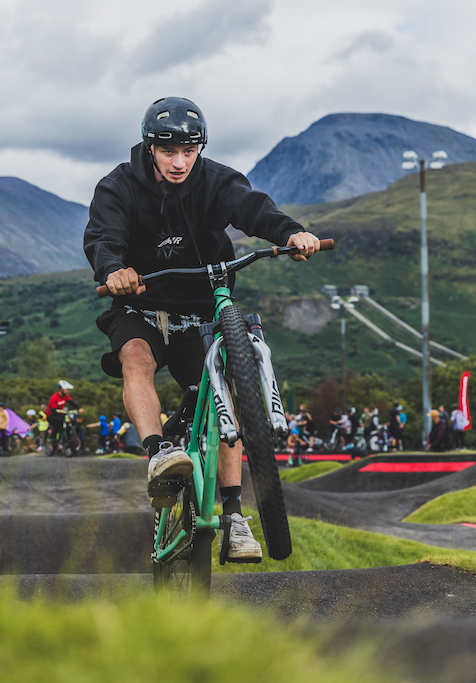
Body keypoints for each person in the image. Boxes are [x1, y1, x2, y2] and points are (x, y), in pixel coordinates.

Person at [84, 97, 322, 562]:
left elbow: (254, 209)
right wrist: (113, 268)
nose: (179, 162)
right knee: (135, 356)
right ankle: (158, 455)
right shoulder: (118, 186)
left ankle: (234, 516)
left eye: (189, 152)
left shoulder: (215, 179)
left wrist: (290, 233)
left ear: (200, 148)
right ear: (149, 147)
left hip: (199, 312)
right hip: (140, 304)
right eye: (169, 152)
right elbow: (103, 236)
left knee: (225, 395)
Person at [46, 380, 78, 449]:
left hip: (60, 414)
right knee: (59, 420)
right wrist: (61, 413)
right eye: (66, 389)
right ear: (61, 389)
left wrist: (79, 408)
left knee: (70, 421)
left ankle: (69, 439)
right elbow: (53, 410)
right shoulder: (54, 397)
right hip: (51, 415)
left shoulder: (65, 396)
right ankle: (53, 437)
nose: (67, 391)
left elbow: (71, 402)